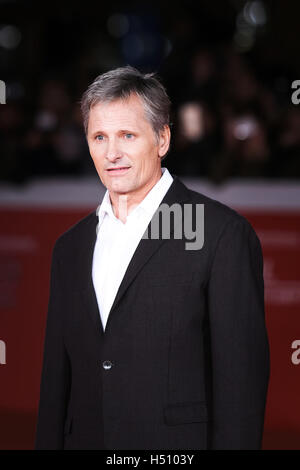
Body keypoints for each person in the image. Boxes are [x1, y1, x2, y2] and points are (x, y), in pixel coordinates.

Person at [35, 66, 270, 450]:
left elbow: (240, 383)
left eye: (127, 135)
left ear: (162, 139)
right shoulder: (70, 248)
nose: (112, 153)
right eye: (99, 137)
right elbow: (55, 384)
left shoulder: (220, 234)